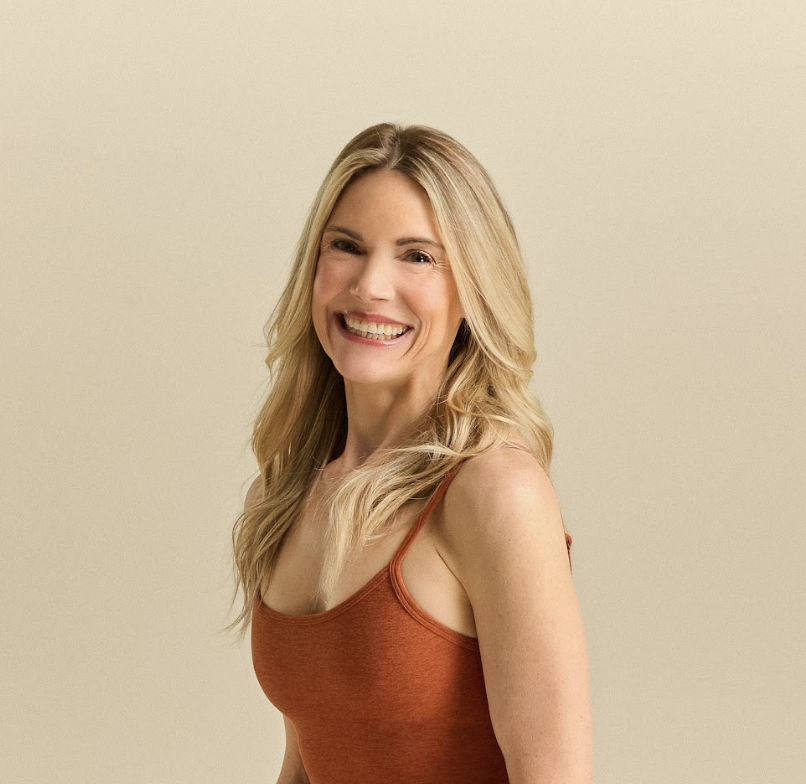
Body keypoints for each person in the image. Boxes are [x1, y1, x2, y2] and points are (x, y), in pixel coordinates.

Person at [231, 123, 593, 784]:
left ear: (473, 292)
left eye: (418, 256)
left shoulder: (495, 492)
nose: (371, 286)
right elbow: (309, 760)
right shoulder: (288, 493)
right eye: (346, 246)